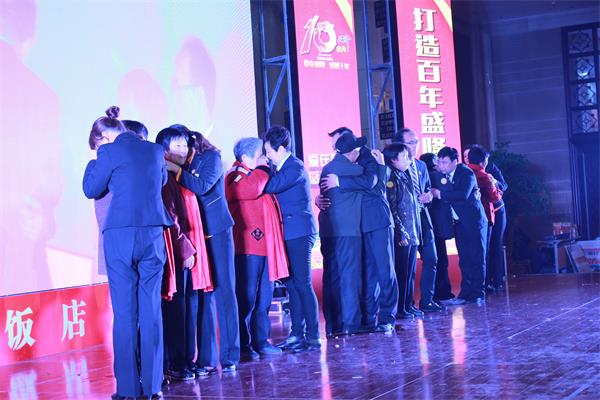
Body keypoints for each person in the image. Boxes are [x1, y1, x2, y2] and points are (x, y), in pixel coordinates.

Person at [82, 106, 171, 399]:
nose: (99, 148)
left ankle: (129, 390)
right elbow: (161, 182)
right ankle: (153, 386)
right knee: (151, 312)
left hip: (120, 236)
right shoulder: (155, 150)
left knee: (125, 314)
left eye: (98, 144)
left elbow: (91, 189)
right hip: (153, 234)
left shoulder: (108, 154)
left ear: (106, 137)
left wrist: (94, 161)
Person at [166, 124, 239, 374]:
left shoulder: (211, 158)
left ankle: (230, 355)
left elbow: (202, 186)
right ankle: (206, 358)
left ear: (192, 143)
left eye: (182, 144)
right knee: (204, 294)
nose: (179, 149)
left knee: (225, 291)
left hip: (217, 231)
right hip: (195, 234)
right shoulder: (178, 164)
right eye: (175, 145)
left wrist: (176, 170)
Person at [320, 127, 398, 332]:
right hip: (357, 225)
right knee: (367, 274)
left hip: (377, 221)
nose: (336, 149)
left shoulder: (369, 157)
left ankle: (388, 317)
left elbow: (374, 184)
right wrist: (322, 199)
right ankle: (369, 318)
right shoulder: (343, 163)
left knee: (384, 271)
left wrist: (340, 182)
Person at [156, 128, 213, 382]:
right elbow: (171, 217)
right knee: (177, 309)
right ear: (164, 149)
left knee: (188, 306)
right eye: (177, 146)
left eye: (184, 145)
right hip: (176, 250)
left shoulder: (180, 175)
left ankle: (186, 360)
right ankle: (177, 363)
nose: (184, 150)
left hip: (186, 247)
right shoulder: (165, 177)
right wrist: (185, 249)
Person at [225, 137, 289, 358]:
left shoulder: (255, 174)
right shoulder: (235, 175)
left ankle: (261, 341)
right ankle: (244, 345)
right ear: (246, 157)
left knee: (264, 298)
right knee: (247, 298)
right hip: (248, 247)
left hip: (265, 245)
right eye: (261, 155)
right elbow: (247, 190)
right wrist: (263, 169)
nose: (265, 158)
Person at [262, 126, 321, 352]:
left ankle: (313, 336)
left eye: (269, 151)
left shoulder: (294, 167)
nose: (267, 156)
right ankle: (297, 334)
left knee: (303, 284)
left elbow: (270, 186)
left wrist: (259, 169)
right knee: (293, 285)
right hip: (289, 232)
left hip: (300, 232)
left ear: (281, 149)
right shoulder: (282, 167)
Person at [393, 129, 445, 314]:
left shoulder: (421, 165)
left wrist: (428, 196)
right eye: (411, 142)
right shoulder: (395, 167)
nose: (415, 146)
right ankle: (405, 305)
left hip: (423, 217)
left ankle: (427, 300)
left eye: (416, 142)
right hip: (405, 220)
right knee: (406, 265)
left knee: (432, 258)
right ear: (400, 145)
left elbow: (428, 188)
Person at [319, 131, 365, 336]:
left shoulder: (328, 168)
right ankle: (351, 323)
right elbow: (372, 180)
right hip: (348, 231)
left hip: (328, 230)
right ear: (351, 152)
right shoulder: (356, 170)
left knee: (332, 276)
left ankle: (333, 323)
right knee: (349, 276)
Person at [431, 147, 488, 305]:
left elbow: (463, 194)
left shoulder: (465, 173)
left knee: (476, 257)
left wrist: (439, 194)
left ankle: (477, 293)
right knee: (464, 259)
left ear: (455, 161)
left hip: (474, 222)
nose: (441, 165)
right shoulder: (442, 175)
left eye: (444, 162)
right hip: (459, 223)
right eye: (439, 162)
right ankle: (465, 293)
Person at [383, 144, 421, 320]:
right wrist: (400, 233)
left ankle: (408, 305)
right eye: (404, 156)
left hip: (412, 231)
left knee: (410, 272)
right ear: (393, 160)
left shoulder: (404, 175)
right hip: (403, 233)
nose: (408, 159)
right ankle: (400, 308)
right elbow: (392, 208)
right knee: (402, 272)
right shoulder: (391, 178)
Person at [464, 145, 509, 291]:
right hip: (485, 215)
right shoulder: (477, 174)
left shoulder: (489, 169)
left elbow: (504, 185)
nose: (466, 159)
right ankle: (484, 283)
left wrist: (495, 183)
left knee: (491, 246)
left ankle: (494, 281)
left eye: (468, 156)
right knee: (484, 249)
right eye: (465, 156)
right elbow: (495, 196)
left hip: (495, 212)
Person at [420, 153, 455, 303]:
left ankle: (434, 293)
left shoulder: (423, 176)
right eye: (437, 161)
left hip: (429, 224)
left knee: (434, 260)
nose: (439, 165)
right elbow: (450, 191)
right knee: (441, 260)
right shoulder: (435, 175)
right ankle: (443, 293)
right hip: (438, 225)